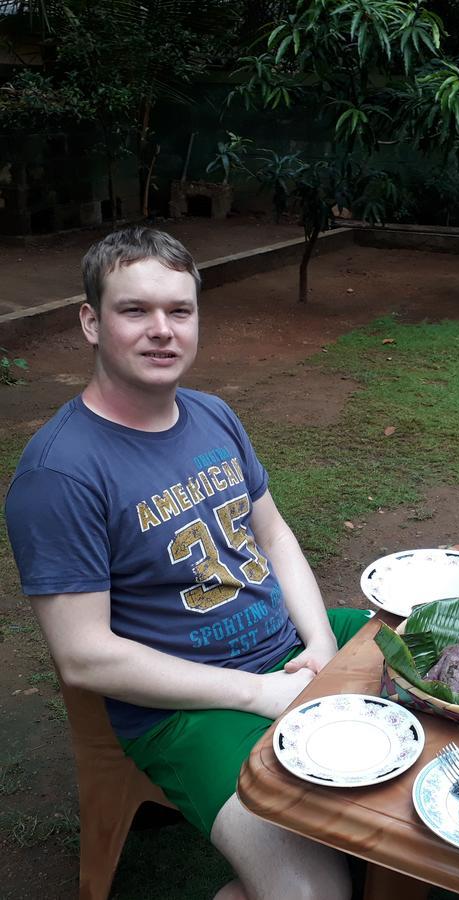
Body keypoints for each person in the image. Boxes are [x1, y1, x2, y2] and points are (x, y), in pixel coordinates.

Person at [4, 227, 371, 900]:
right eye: (134, 310)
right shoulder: (61, 473)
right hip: (187, 707)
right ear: (91, 321)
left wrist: (319, 643)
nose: (161, 330)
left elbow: (276, 537)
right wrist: (259, 695)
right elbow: (84, 655)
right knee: (312, 897)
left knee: (438, 666)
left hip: (284, 650)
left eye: (179, 310)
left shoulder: (213, 415)